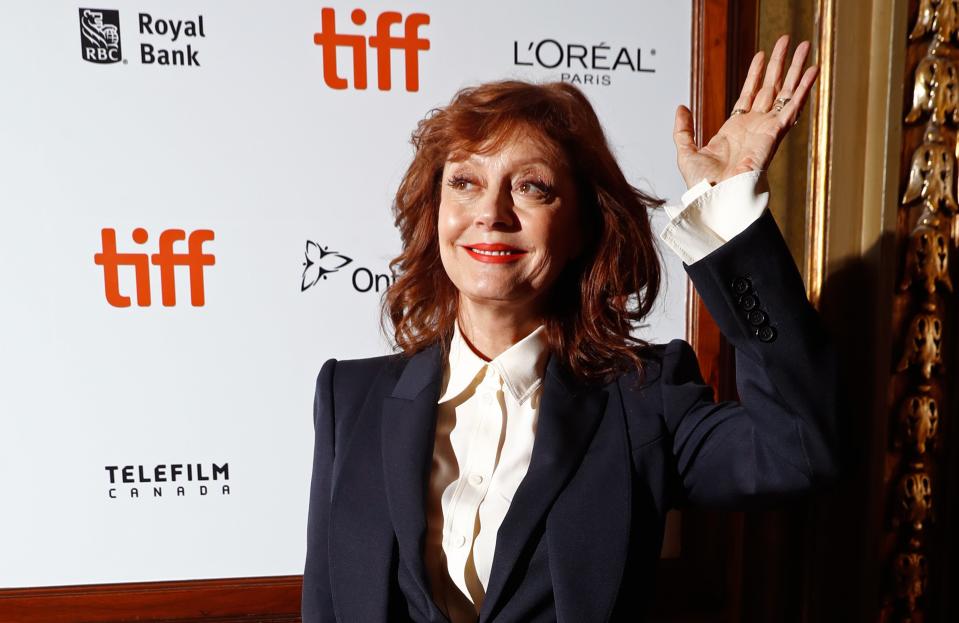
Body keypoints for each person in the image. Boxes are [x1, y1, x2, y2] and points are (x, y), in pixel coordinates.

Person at [302, 34, 837, 623]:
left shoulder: (645, 401)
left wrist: (725, 206)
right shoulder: (348, 399)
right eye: (464, 182)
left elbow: (798, 451)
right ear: (435, 212)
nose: (491, 213)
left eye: (531, 186)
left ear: (583, 225)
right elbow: (326, 605)